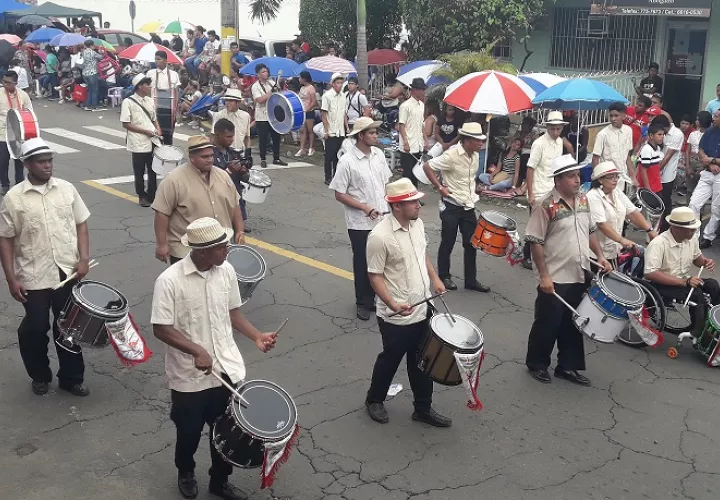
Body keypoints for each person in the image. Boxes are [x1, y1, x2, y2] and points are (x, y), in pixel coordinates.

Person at [152, 217, 278, 500]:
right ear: (202, 251)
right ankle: (185, 472)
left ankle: (219, 481)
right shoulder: (169, 281)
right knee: (189, 432)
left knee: (226, 432)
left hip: (226, 368)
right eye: (222, 246)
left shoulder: (227, 271)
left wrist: (256, 336)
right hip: (189, 376)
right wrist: (195, 350)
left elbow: (233, 312)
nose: (228, 250)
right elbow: (161, 328)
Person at [0, 138, 91, 397]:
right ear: (27, 165)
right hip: (32, 274)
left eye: (50, 160)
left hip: (67, 271)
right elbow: (5, 239)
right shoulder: (14, 198)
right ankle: (40, 375)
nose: (48, 166)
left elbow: (81, 224)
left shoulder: (66, 189)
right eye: (41, 162)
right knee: (35, 327)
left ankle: (71, 378)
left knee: (69, 328)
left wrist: (83, 258)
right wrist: (10, 278)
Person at [364, 178, 450, 427]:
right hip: (397, 315)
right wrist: (391, 303)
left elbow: (422, 253)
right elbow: (374, 275)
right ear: (397, 206)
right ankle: (374, 400)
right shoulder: (379, 237)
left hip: (422, 307)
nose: (419, 205)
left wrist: (435, 278)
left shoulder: (418, 224)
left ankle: (423, 408)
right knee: (391, 359)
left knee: (423, 361)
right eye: (412, 202)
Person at [525, 155, 611, 385]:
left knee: (574, 321)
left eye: (578, 175)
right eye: (571, 176)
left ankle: (568, 366)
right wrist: (544, 275)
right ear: (558, 180)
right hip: (555, 274)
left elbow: (590, 231)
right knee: (547, 321)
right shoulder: (545, 205)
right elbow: (535, 241)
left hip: (580, 270)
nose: (577, 180)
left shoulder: (582, 200)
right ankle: (537, 363)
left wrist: (600, 256)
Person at [329, 117, 391, 321]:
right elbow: (339, 193)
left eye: (376, 132)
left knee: (381, 261)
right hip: (360, 222)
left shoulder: (379, 155)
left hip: (382, 217)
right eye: (371, 133)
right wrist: (364, 207)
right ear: (360, 136)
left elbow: (385, 184)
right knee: (363, 262)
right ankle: (363, 302)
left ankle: (377, 298)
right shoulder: (347, 161)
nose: (375, 136)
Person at [152, 135, 245, 264]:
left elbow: (235, 205)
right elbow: (162, 213)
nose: (210, 160)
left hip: (219, 249)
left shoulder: (223, 176)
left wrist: (239, 231)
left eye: (211, 155)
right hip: (186, 251)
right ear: (192, 158)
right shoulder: (173, 180)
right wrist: (162, 244)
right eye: (204, 157)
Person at [423, 122, 491, 292]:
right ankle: (444, 276)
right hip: (452, 205)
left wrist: (475, 188)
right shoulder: (451, 155)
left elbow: (469, 178)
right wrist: (440, 187)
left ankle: (471, 280)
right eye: (478, 140)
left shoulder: (474, 156)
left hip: (468, 206)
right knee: (448, 241)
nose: (481, 143)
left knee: (471, 244)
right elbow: (427, 166)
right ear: (467, 140)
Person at [644, 207, 719, 336]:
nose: (694, 231)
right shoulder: (658, 244)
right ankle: (698, 332)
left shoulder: (692, 238)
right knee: (697, 295)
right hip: (662, 284)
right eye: (690, 230)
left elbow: (697, 259)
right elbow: (651, 273)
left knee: (713, 284)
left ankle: (715, 322)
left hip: (685, 279)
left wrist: (705, 261)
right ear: (676, 227)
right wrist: (685, 281)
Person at [587, 161, 657, 266]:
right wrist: (622, 240)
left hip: (614, 250)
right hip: (597, 253)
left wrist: (650, 230)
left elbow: (632, 212)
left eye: (616, 176)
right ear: (600, 180)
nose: (615, 180)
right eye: (611, 177)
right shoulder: (593, 196)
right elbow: (602, 224)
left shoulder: (617, 192)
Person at [521, 111, 566, 269]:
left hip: (552, 188)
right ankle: (527, 254)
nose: (555, 132)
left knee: (552, 225)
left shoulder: (560, 142)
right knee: (536, 227)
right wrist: (531, 194)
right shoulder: (539, 143)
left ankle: (543, 255)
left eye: (558, 129)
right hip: (539, 190)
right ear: (547, 127)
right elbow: (530, 169)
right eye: (552, 128)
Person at [120, 73, 162, 207]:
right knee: (139, 170)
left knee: (153, 169)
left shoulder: (149, 100)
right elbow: (126, 123)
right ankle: (141, 195)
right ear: (139, 86)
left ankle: (152, 194)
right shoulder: (128, 102)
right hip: (138, 141)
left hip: (152, 140)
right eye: (147, 85)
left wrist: (158, 128)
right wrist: (146, 131)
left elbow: (154, 118)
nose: (150, 87)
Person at [212, 117, 251, 233]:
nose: (232, 140)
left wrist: (244, 171)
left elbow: (245, 179)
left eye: (232, 136)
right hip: (218, 200)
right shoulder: (209, 155)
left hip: (236, 197)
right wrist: (229, 170)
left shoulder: (234, 153)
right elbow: (211, 179)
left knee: (237, 237)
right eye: (228, 137)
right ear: (217, 135)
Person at [591, 102, 637, 192]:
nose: (613, 119)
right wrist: (599, 179)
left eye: (616, 116)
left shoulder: (628, 131)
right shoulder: (603, 134)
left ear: (624, 116)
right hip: (607, 180)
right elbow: (595, 158)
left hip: (622, 178)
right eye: (611, 116)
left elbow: (627, 156)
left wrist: (633, 177)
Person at [0, 70, 31, 195]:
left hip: (18, 135)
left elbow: (29, 113)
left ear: (16, 83)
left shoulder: (23, 95)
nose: (5, 84)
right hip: (2, 134)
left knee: (19, 162)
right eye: (3, 81)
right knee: (3, 161)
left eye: (8, 83)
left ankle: (19, 185)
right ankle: (5, 185)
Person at [251, 63, 286, 168]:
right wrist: (271, 92)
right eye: (263, 72)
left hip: (273, 115)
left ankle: (276, 158)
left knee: (276, 136)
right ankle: (263, 158)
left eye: (266, 71)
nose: (265, 73)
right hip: (262, 115)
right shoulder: (255, 86)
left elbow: (279, 96)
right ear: (258, 74)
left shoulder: (271, 83)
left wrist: (278, 89)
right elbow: (260, 100)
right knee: (263, 138)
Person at [653, 114, 684, 232]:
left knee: (666, 201)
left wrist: (655, 171)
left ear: (664, 128)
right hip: (657, 172)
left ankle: (665, 228)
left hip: (667, 174)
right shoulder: (662, 132)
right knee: (657, 201)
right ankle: (657, 226)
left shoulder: (677, 134)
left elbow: (668, 157)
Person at [695, 110, 720, 248]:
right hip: (707, 172)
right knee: (694, 203)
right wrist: (710, 163)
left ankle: (708, 237)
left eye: (716, 117)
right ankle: (694, 235)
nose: (713, 119)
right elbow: (701, 149)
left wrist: (714, 160)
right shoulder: (710, 131)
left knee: (717, 208)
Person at [146, 51, 181, 145]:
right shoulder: (150, 73)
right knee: (155, 135)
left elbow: (176, 93)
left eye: (159, 59)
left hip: (169, 110)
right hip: (154, 108)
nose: (156, 61)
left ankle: (167, 156)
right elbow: (147, 91)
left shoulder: (174, 74)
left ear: (165, 61)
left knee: (168, 136)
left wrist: (177, 110)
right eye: (155, 59)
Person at [321, 73, 349, 185]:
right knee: (329, 156)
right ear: (333, 84)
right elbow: (324, 114)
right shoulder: (327, 96)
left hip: (340, 130)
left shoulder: (343, 96)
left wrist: (347, 128)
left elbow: (344, 114)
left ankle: (336, 176)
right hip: (331, 130)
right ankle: (327, 177)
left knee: (339, 156)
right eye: (338, 83)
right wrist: (326, 130)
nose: (340, 85)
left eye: (341, 83)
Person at [398, 78, 427, 186]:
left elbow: (421, 124)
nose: (423, 92)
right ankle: (405, 197)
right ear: (414, 90)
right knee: (407, 173)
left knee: (416, 173)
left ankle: (414, 197)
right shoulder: (405, 106)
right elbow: (401, 125)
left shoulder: (422, 105)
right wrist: (405, 142)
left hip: (418, 143)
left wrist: (426, 140)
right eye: (421, 89)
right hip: (408, 144)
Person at [685, 110, 712, 195]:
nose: (696, 121)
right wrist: (688, 166)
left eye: (698, 119)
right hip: (692, 161)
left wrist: (703, 167)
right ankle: (688, 207)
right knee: (690, 188)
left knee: (701, 190)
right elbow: (687, 151)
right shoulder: (693, 134)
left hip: (704, 163)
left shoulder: (710, 135)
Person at [637, 122, 665, 199]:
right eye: (659, 134)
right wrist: (647, 188)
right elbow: (643, 170)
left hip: (656, 185)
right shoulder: (647, 149)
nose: (662, 137)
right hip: (649, 187)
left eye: (663, 134)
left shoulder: (657, 148)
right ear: (651, 135)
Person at [296, 70, 318, 157]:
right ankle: (302, 148)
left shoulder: (311, 88)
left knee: (310, 130)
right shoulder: (302, 88)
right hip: (302, 111)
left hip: (309, 111)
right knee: (302, 130)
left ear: (304, 78)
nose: (299, 79)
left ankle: (311, 147)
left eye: (300, 77)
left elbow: (314, 101)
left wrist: (307, 109)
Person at [80, 39, 103, 110]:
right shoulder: (93, 52)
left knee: (89, 89)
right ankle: (94, 105)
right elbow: (101, 57)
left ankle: (87, 105)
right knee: (94, 90)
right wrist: (100, 52)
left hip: (84, 73)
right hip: (92, 73)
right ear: (91, 45)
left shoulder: (83, 52)